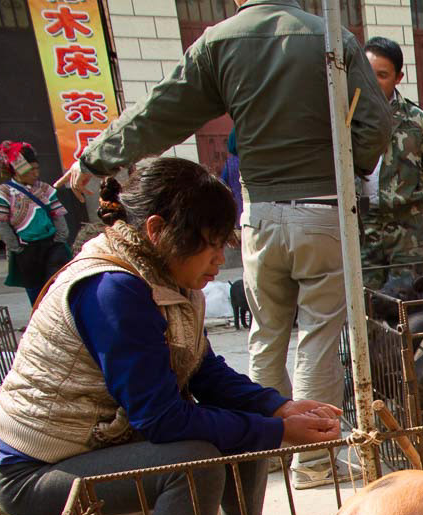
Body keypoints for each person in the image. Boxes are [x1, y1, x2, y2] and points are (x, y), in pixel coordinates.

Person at [61, 0, 391, 489]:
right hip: (324, 208)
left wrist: (97, 156)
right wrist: (351, 166)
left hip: (257, 214)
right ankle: (314, 461)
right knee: (319, 338)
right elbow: (375, 126)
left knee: (267, 332)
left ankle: (267, 453)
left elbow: (161, 113)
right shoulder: (329, 36)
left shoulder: (219, 40)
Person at [0, 158, 341, 515]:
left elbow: (203, 369)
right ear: (156, 230)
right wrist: (277, 430)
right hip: (38, 470)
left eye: (223, 243)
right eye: (209, 244)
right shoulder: (114, 289)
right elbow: (161, 419)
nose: (219, 259)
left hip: (97, 444)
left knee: (245, 423)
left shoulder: (167, 278)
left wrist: (278, 406)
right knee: (196, 463)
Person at [361, 36, 423, 291]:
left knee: (414, 307)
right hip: (364, 228)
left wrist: (407, 198)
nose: (373, 82)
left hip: (407, 230)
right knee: (366, 309)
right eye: (367, 74)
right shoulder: (347, 117)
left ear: (398, 77)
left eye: (382, 75)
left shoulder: (415, 119)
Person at [0, 141, 71, 306]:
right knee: (36, 291)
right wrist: (16, 248)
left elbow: (58, 215)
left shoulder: (44, 189)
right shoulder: (2, 193)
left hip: (52, 245)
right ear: (16, 170)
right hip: (26, 249)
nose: (35, 174)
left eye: (37, 169)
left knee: (58, 285)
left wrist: (60, 238)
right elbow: (1, 224)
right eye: (30, 169)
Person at [220, 129, 243, 229]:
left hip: (239, 213)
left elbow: (222, 186)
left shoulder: (229, 163)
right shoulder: (251, 161)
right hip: (258, 214)